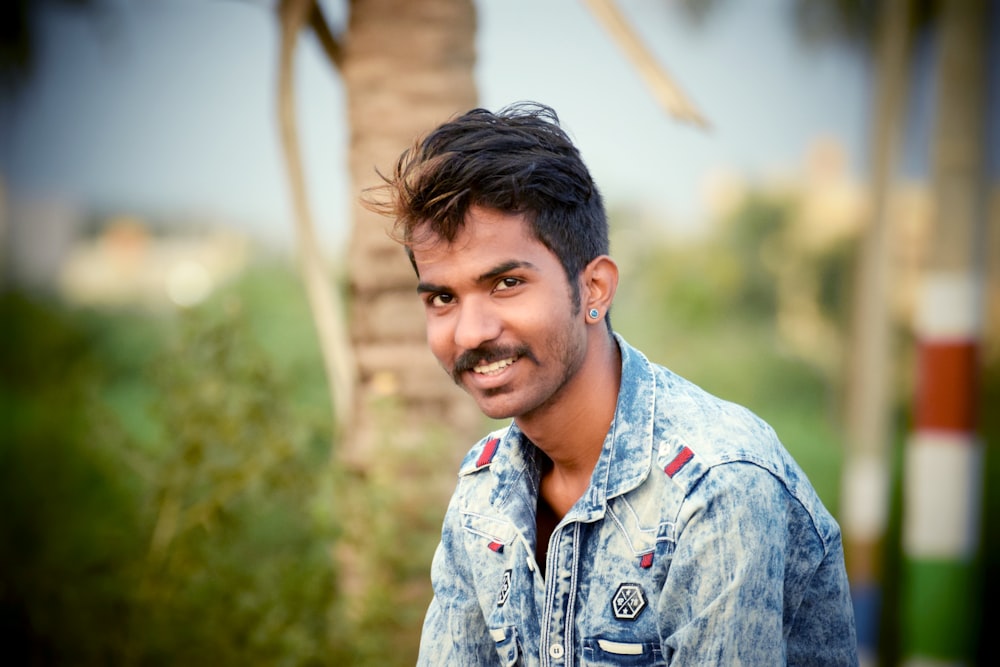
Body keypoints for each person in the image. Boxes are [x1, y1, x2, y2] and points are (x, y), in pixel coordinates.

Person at [364, 102, 858, 665]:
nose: (471, 333)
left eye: (505, 282)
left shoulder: (716, 486)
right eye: (443, 299)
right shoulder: (485, 493)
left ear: (594, 288)